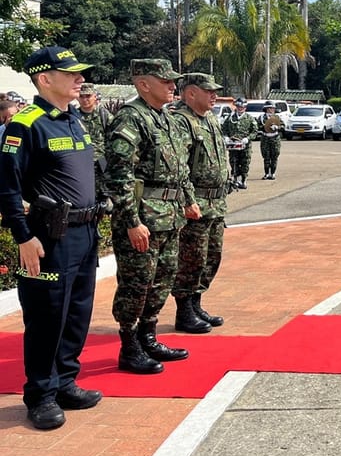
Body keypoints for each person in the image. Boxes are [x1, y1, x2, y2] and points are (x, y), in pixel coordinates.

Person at [0, 46, 103, 430]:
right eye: (71, 73)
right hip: (49, 238)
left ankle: (64, 383)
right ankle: (40, 394)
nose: (80, 79)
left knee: (76, 315)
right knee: (46, 319)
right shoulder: (26, 124)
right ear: (45, 79)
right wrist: (23, 237)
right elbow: (7, 188)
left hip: (85, 233)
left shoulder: (74, 119)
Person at [105, 58, 199, 374]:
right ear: (144, 84)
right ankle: (129, 347)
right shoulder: (130, 119)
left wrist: (188, 200)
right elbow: (120, 176)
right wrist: (132, 222)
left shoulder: (167, 119)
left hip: (169, 217)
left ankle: (148, 338)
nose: (173, 86)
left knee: (162, 279)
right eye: (166, 81)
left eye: (174, 81)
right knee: (137, 282)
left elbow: (180, 167)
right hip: (143, 218)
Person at [170, 73, 230, 334]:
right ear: (191, 93)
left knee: (210, 258)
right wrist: (187, 200)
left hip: (216, 202)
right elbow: (178, 166)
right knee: (191, 259)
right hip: (197, 203)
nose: (214, 95)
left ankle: (196, 304)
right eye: (209, 91)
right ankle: (184, 311)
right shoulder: (182, 122)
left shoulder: (211, 120)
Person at [77, 82, 112, 190]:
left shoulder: (104, 115)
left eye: (88, 96)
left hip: (102, 162)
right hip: (81, 163)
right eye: (81, 96)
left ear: (95, 97)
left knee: (104, 193)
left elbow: (113, 139)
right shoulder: (73, 117)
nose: (85, 99)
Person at [222, 98, 257, 189]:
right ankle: (236, 180)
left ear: (245, 108)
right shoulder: (230, 117)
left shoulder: (249, 118)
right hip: (233, 144)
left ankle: (243, 180)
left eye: (242, 107)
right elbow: (224, 129)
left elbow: (254, 131)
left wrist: (248, 138)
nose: (240, 108)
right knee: (234, 161)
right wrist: (225, 137)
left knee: (245, 162)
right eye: (238, 107)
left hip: (245, 145)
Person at [258, 101, 283, 179]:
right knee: (266, 156)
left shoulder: (277, 117)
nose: (272, 110)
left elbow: (283, 126)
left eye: (273, 108)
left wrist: (277, 127)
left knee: (274, 156)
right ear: (266, 109)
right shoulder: (262, 117)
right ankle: (266, 173)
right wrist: (264, 128)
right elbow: (257, 126)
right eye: (270, 108)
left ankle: (272, 173)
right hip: (265, 138)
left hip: (275, 138)